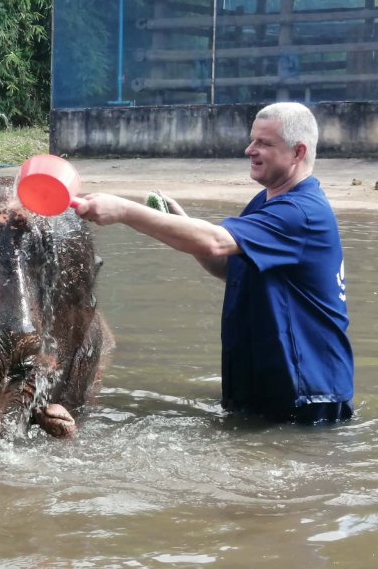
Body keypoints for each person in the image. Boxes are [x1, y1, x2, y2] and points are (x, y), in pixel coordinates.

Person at [75, 102, 354, 423]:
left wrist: (123, 211)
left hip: (308, 397)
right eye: (252, 140)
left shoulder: (299, 213)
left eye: (264, 143)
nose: (250, 150)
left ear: (297, 152)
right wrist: (182, 224)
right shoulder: (267, 201)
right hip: (270, 386)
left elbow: (214, 241)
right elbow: (227, 267)